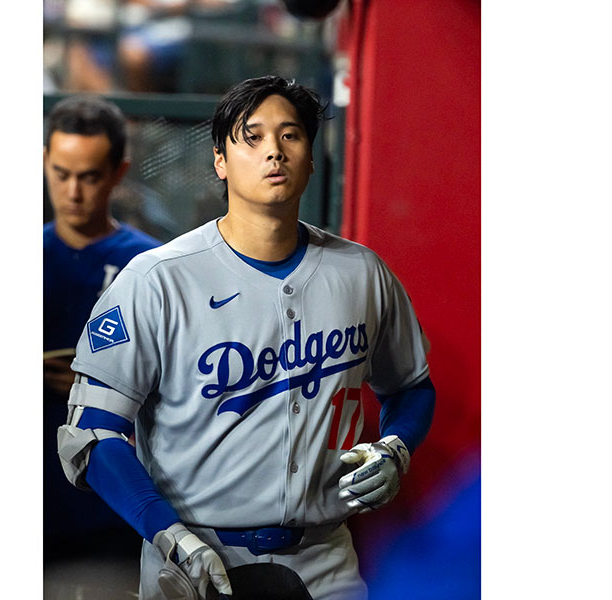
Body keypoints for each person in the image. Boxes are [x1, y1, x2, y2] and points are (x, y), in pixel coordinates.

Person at [57, 76, 436, 599]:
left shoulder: (362, 273)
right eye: (252, 137)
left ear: (311, 157)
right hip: (194, 559)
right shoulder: (157, 279)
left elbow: (411, 385)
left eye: (290, 135)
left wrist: (396, 447)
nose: (273, 151)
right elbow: (91, 433)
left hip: (325, 557)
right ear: (220, 161)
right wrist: (166, 533)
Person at [44, 95, 161, 545]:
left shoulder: (151, 269)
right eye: (61, 174)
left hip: (116, 512)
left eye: (89, 177)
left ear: (118, 172)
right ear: (44, 161)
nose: (73, 192)